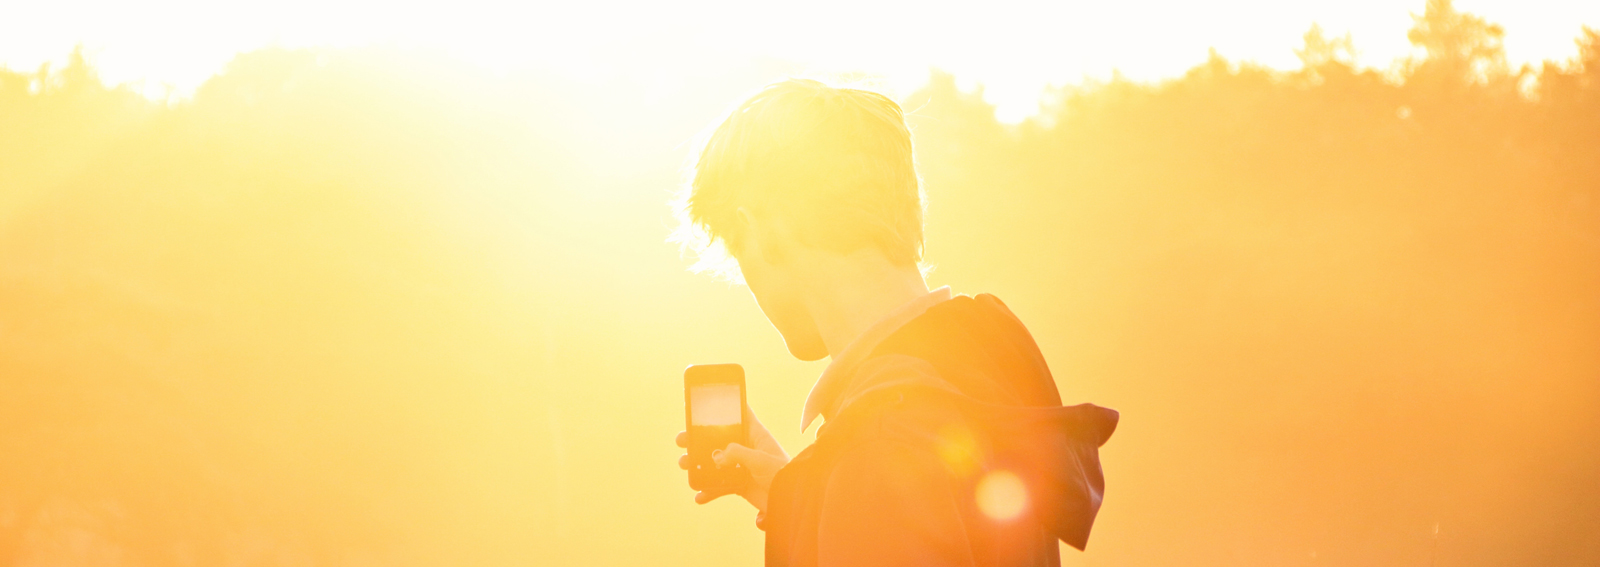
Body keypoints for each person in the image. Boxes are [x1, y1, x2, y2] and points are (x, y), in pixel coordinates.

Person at [672, 78, 1119, 567]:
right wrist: (802, 495)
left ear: (764, 231)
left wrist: (843, 485)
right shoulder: (986, 360)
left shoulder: (877, 446)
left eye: (739, 252)